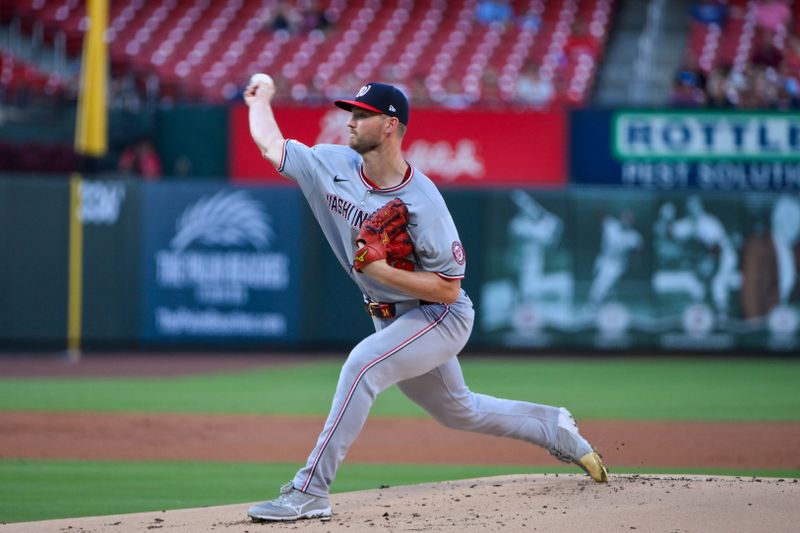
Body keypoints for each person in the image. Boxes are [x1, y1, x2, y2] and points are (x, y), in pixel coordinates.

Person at [242, 78, 608, 522]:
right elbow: (272, 144)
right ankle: (555, 427)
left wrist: (381, 271)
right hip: (392, 319)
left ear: (390, 125)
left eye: (362, 114)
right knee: (459, 410)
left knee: (362, 367)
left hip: (440, 315)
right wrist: (260, 100)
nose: (351, 121)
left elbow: (449, 288)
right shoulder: (329, 164)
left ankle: (310, 491)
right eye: (351, 112)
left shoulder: (423, 201)